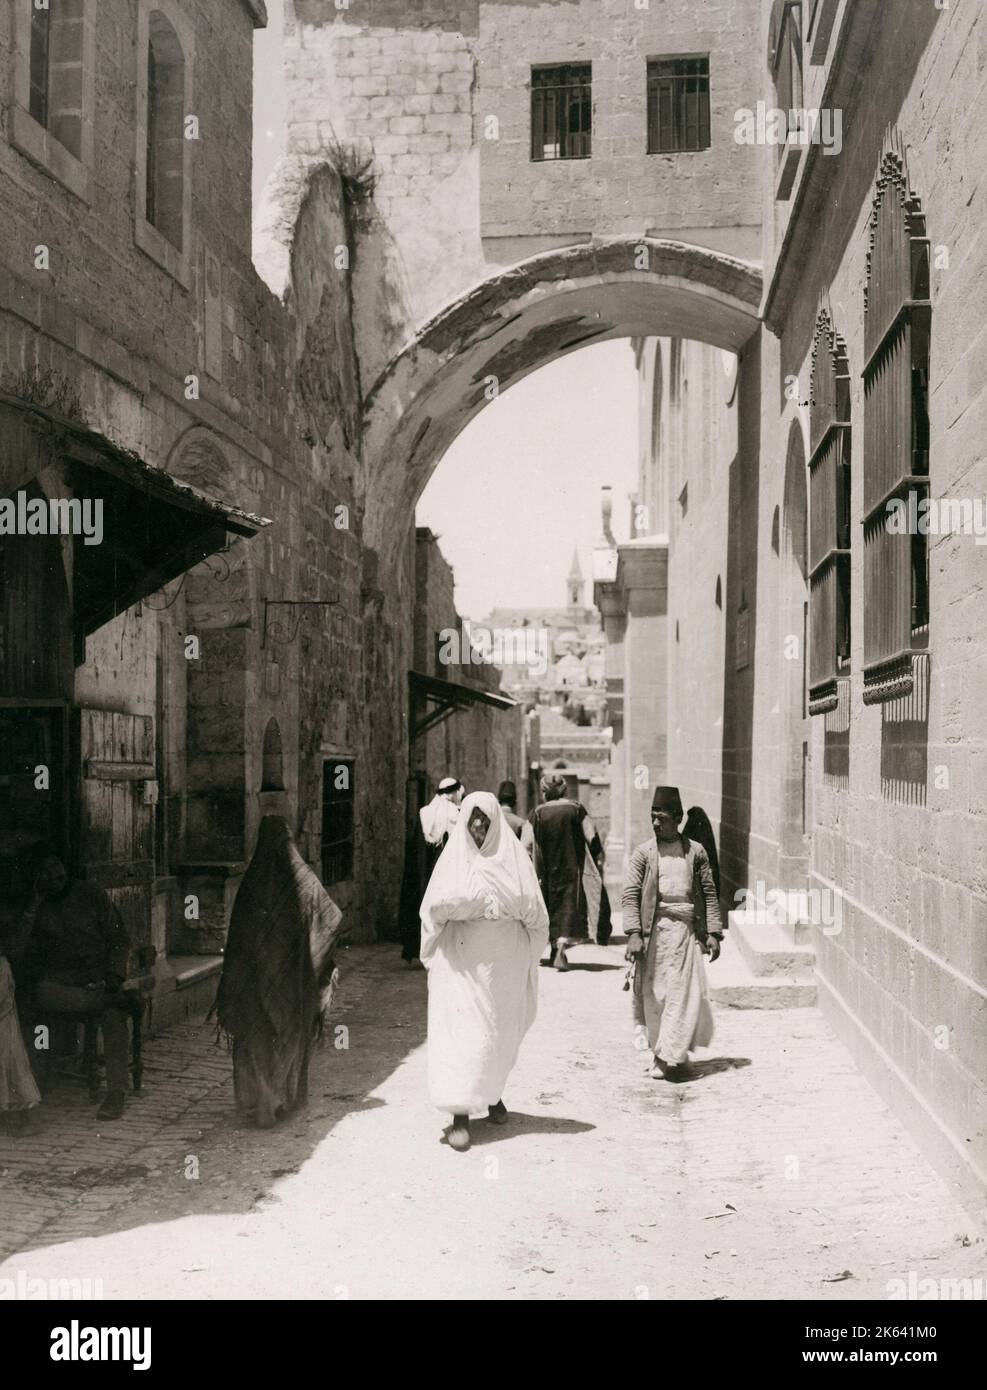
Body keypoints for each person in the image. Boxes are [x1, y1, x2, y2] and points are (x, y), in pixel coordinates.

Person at [420, 791, 548, 1153]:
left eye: (485, 821)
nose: (478, 827)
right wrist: (433, 956)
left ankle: (493, 1095)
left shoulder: (514, 861)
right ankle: (459, 1114)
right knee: (461, 1033)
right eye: (473, 820)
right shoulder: (453, 861)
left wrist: (527, 959)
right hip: (460, 966)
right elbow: (432, 913)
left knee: (498, 1031)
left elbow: (536, 916)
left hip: (504, 967)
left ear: (494, 824)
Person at [214, 816, 344, 1128]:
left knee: (255, 1035)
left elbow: (238, 940)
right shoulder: (303, 880)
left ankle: (261, 1102)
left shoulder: (252, 882)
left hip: (254, 978)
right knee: (292, 1034)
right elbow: (332, 918)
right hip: (292, 981)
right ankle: (281, 1096)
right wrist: (314, 960)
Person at [17, 849, 132, 1122]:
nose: (54, 876)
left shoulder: (91, 894)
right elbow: (19, 948)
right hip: (60, 986)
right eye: (44, 872)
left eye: (57, 868)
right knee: (45, 995)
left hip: (99, 982)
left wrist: (114, 977)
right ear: (36, 878)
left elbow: (119, 939)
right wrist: (34, 903)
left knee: (114, 1019)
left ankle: (116, 1093)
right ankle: (112, 1000)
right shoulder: (36, 906)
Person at [623, 786, 723, 1082]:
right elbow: (630, 894)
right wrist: (633, 933)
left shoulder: (696, 852)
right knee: (655, 997)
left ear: (677, 818)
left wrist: (713, 933)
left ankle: (672, 1057)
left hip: (685, 935)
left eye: (662, 817)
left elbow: (709, 892)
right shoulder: (644, 853)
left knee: (682, 996)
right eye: (652, 817)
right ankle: (661, 1052)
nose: (655, 823)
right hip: (654, 935)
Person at [522, 772, 602, 970]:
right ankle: (560, 949)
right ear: (564, 789)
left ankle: (554, 948)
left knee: (549, 908)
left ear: (544, 792)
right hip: (571, 870)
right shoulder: (576, 809)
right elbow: (591, 836)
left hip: (545, 872)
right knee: (567, 908)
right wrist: (595, 857)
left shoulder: (537, 813)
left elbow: (525, 843)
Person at [401, 776, 463, 966]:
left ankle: (420, 949)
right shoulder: (455, 814)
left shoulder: (425, 812)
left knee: (422, 905)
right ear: (453, 794)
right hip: (445, 869)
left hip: (422, 871)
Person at [0, 946, 41, 1136]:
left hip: (4, 1028)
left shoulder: (2, 966)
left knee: (14, 1070)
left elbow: (2, 1000)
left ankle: (31, 1118)